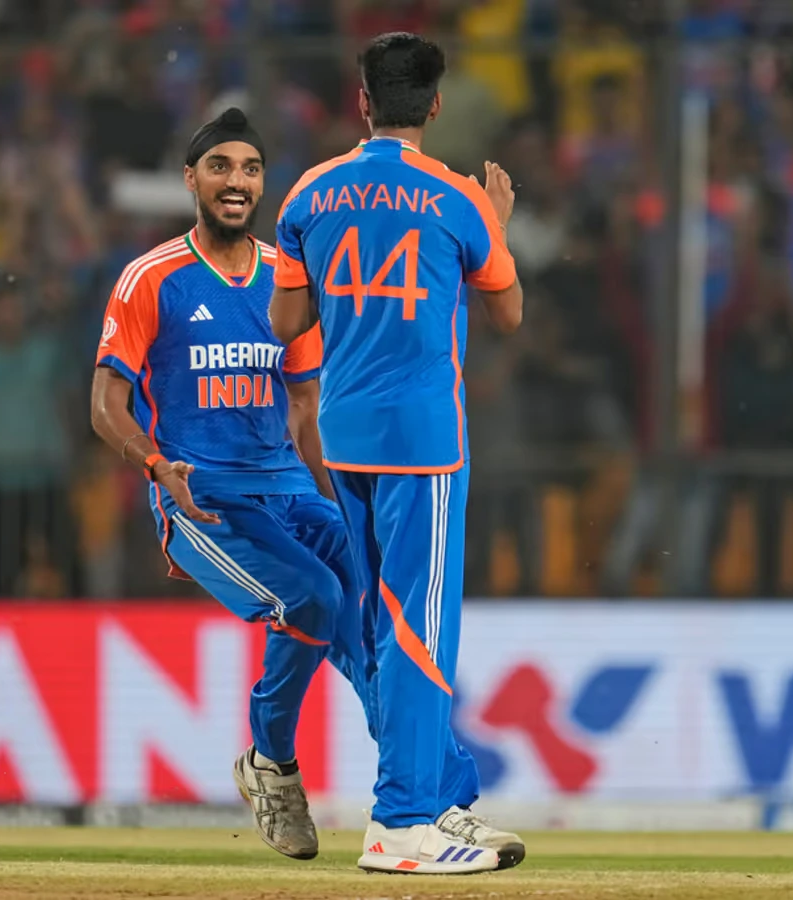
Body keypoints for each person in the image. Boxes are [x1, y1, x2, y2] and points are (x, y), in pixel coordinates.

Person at [269, 34, 525, 874]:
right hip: (423, 441)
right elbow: (507, 312)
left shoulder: (309, 193)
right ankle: (401, 822)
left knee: (381, 625)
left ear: (362, 101)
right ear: (435, 105)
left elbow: (285, 322)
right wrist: (495, 229)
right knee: (420, 629)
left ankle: (438, 799)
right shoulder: (456, 198)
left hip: (343, 433)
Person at [90, 108, 372, 861]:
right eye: (220, 167)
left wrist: (340, 503)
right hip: (203, 497)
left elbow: (305, 406)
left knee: (368, 612)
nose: (236, 181)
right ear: (191, 180)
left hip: (291, 490)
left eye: (249, 168)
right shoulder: (152, 278)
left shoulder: (288, 278)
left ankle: (421, 791)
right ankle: (271, 765)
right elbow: (105, 404)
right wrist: (155, 466)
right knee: (314, 598)